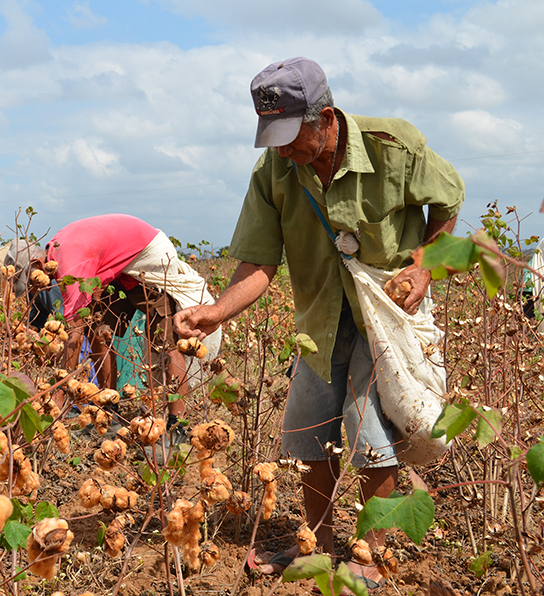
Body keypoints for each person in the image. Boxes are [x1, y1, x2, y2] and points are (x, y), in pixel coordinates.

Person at [174, 57, 464, 590]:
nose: (283, 149)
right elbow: (260, 264)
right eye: (273, 137)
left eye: (291, 136)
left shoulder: (392, 147)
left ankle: (370, 550)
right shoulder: (274, 172)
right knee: (304, 432)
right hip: (320, 319)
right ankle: (317, 544)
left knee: (365, 426)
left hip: (385, 315)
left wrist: (423, 267)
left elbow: (448, 202)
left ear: (325, 117)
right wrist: (214, 311)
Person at [46, 213, 222, 432]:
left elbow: (75, 332)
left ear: (36, 263)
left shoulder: (69, 265)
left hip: (149, 256)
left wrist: (60, 394)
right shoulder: (53, 248)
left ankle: (177, 428)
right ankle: (109, 412)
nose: (35, 290)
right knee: (98, 331)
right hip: (122, 269)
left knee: (164, 343)